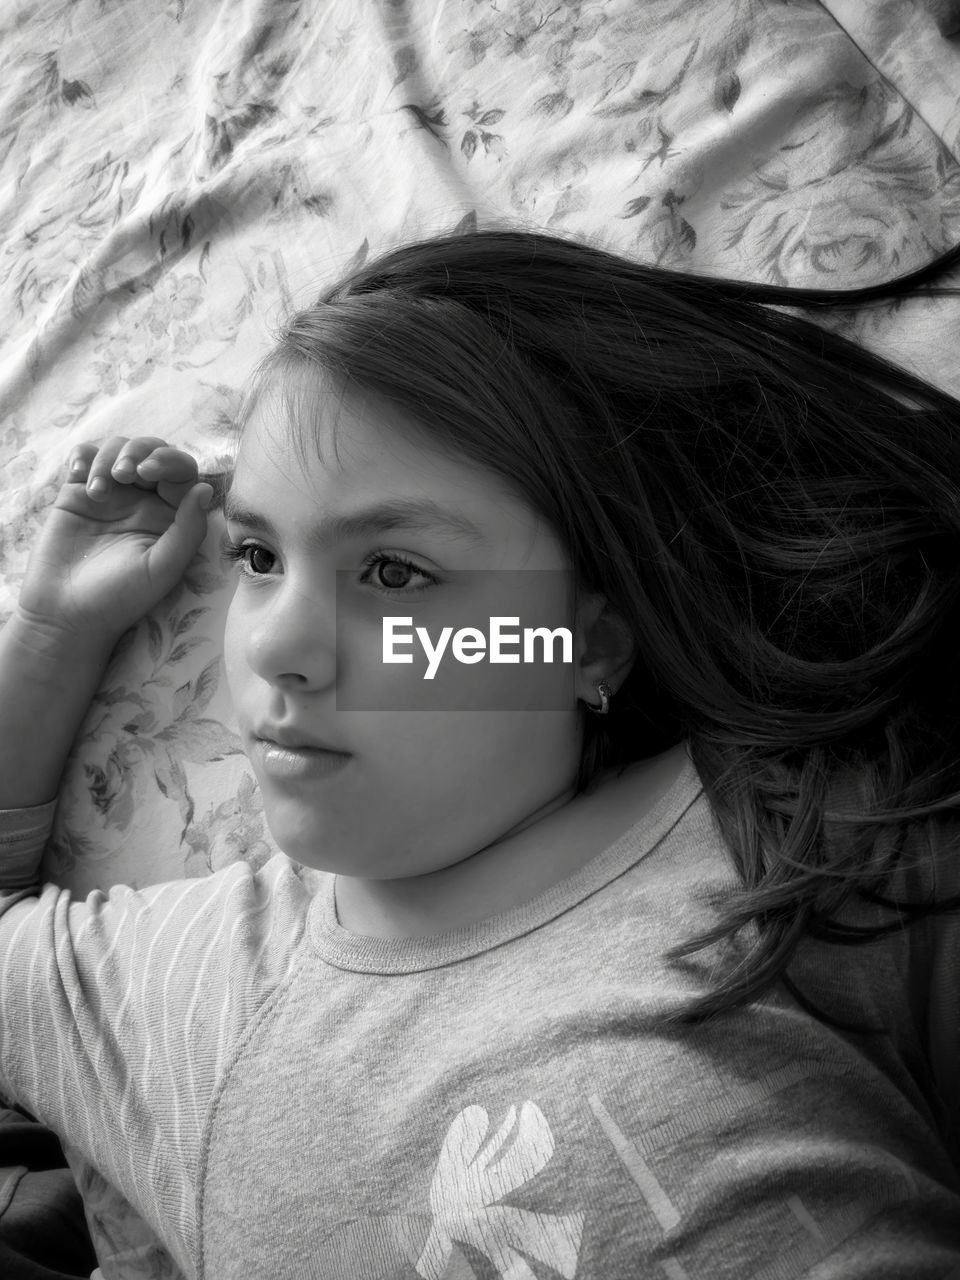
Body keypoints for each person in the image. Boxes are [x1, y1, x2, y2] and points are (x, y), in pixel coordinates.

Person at [1, 226, 960, 1280]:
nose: (274, 642)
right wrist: (53, 632)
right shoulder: (186, 995)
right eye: (259, 555)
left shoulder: (804, 835)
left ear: (583, 640)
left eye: (398, 572)